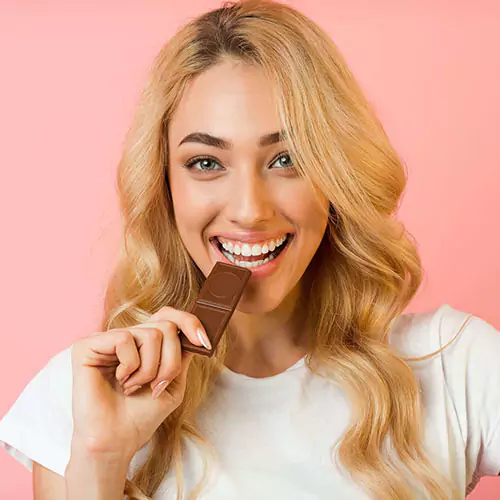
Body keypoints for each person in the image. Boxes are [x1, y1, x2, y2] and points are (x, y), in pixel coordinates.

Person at [1, 0, 499, 499]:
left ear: (336, 175)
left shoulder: (456, 365)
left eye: (286, 158)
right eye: (206, 163)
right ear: (164, 183)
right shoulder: (88, 395)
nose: (248, 209)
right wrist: (102, 457)